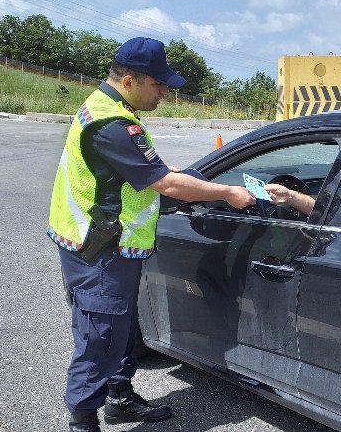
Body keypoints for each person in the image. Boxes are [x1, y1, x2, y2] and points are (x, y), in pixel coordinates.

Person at [46, 37, 255, 432]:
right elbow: (168, 186)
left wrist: (167, 171)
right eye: (158, 85)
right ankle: (82, 419)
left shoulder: (107, 105)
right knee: (100, 335)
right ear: (129, 80)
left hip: (107, 244)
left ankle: (119, 398)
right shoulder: (113, 124)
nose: (165, 92)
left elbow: (138, 170)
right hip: (101, 249)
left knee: (119, 325)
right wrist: (227, 192)